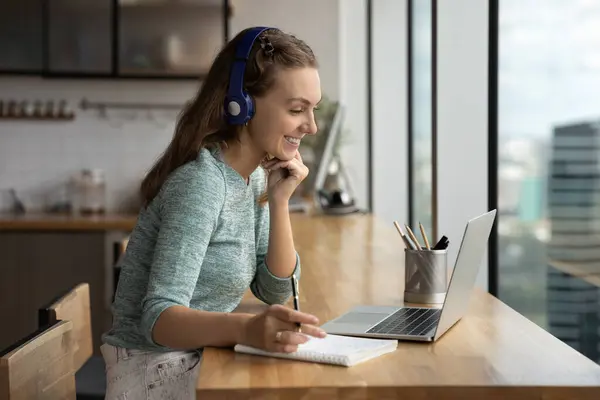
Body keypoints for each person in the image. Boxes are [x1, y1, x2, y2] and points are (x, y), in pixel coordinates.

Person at [100, 26, 327, 399]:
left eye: (312, 109)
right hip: (150, 373)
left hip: (192, 360)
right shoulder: (201, 185)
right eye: (297, 109)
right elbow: (159, 319)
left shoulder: (252, 178)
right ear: (243, 103)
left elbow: (275, 290)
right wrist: (245, 329)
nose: (311, 126)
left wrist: (280, 201)